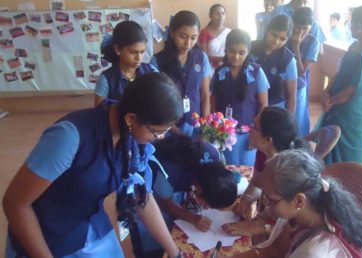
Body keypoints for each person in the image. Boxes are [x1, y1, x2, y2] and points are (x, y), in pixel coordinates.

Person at [3, 73, 183, 258]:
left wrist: (175, 252)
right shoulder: (69, 137)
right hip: (46, 238)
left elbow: (142, 198)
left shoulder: (133, 139)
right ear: (131, 119)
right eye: (157, 131)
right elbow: (15, 204)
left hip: (89, 228)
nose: (159, 138)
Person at [220, 149, 362, 258]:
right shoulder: (303, 212)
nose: (265, 205)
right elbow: (273, 251)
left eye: (271, 200)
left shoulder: (315, 252)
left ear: (299, 201)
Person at [133, 134, 238, 256]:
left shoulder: (213, 157)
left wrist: (189, 190)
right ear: (199, 189)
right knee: (156, 243)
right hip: (145, 195)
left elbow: (194, 177)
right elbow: (165, 203)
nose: (207, 209)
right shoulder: (167, 172)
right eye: (208, 205)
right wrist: (192, 218)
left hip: (174, 181)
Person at [317, 5, 362, 164]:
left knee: (344, 147)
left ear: (360, 27)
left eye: (351, 22)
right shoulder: (355, 46)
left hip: (353, 107)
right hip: (337, 100)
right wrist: (326, 90)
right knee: (329, 142)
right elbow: (340, 71)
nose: (348, 26)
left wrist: (330, 101)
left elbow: (352, 90)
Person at [222, 106, 310, 237]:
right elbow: (257, 182)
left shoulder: (291, 171)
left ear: (268, 140)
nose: (249, 129)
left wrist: (261, 228)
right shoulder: (263, 153)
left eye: (254, 126)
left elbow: (296, 224)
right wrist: (247, 199)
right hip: (269, 216)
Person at [211, 29, 269, 166]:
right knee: (225, 169)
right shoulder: (220, 72)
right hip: (222, 134)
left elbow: (264, 106)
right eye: (232, 51)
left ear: (248, 51)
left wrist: (256, 135)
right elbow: (213, 99)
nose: (236, 56)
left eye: (241, 52)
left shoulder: (256, 72)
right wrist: (214, 127)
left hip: (247, 135)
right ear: (225, 50)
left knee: (245, 172)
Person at [152, 10, 212, 136]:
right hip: (167, 128)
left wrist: (205, 126)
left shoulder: (201, 58)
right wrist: (175, 131)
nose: (188, 43)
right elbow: (155, 100)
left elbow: (205, 94)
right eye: (183, 36)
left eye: (193, 38)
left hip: (197, 127)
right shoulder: (157, 61)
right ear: (173, 33)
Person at [94, 21, 157, 106]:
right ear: (118, 49)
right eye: (133, 52)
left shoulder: (152, 71)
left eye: (142, 52)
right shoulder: (106, 79)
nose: (139, 58)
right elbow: (99, 113)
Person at [251, 15, 298, 112]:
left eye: (282, 39)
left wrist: (289, 121)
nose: (276, 42)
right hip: (248, 103)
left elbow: (292, 94)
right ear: (267, 30)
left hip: (275, 107)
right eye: (274, 35)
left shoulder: (288, 59)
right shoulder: (250, 48)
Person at [287, 7, 321, 137]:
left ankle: (298, 146)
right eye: (297, 27)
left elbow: (302, 71)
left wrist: (296, 46)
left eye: (305, 28)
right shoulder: (285, 37)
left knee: (297, 117)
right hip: (281, 83)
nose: (300, 32)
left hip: (299, 85)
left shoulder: (313, 42)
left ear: (310, 27)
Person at [199, 4, 231, 69]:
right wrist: (223, 59)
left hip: (227, 68)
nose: (220, 16)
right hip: (209, 69)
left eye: (223, 13)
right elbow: (204, 56)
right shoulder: (204, 32)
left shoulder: (229, 32)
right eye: (217, 13)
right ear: (210, 16)